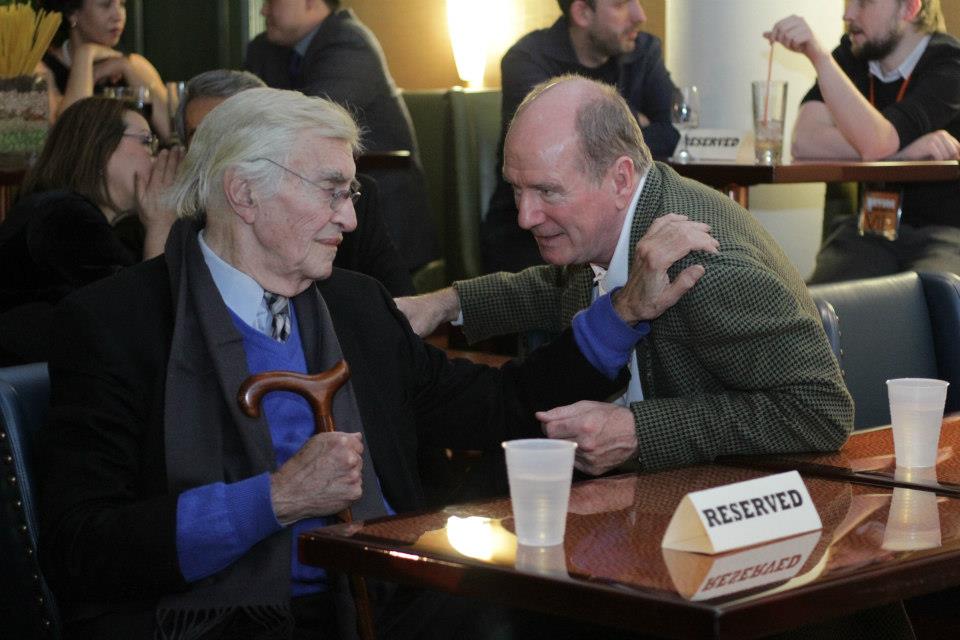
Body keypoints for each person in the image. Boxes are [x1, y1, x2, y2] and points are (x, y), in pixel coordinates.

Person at [37, 86, 701, 638]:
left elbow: (496, 405)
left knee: (587, 614)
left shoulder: (354, 307)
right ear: (243, 193)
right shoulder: (117, 325)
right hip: (204, 620)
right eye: (332, 191)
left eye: (351, 194)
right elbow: (83, 547)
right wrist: (274, 500)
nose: (349, 220)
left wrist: (623, 316)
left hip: (377, 603)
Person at [397, 75, 853, 477]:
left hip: (719, 521)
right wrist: (444, 304)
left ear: (619, 179)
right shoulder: (616, 224)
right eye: (517, 189)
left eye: (546, 191)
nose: (524, 216)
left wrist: (640, 430)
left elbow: (822, 410)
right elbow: (550, 290)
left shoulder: (700, 271)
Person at [766, 1, 960, 283]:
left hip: (945, 233)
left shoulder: (949, 63)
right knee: (819, 307)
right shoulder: (852, 54)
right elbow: (804, 141)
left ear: (909, 8)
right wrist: (902, 154)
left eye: (864, 2)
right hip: (870, 230)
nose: (848, 15)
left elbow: (878, 142)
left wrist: (819, 58)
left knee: (927, 306)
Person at [175, 68, 415, 296]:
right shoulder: (173, 230)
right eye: (204, 138)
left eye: (241, 140)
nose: (223, 156)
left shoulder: (360, 289)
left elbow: (399, 311)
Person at [482, 0, 680, 274]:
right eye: (622, 4)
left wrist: (603, 134)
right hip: (528, 236)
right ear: (582, 13)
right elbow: (544, 150)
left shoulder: (643, 51)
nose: (640, 15)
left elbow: (672, 132)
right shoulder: (528, 58)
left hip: (619, 226)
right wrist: (636, 123)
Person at [244, 0, 438, 274]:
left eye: (271, 1)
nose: (263, 10)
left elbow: (308, 127)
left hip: (372, 218)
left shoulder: (348, 42)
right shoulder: (263, 49)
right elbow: (240, 124)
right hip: (297, 211)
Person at [0, 97, 179, 365]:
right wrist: (161, 224)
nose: (154, 157)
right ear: (99, 148)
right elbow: (138, 325)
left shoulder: (59, 210)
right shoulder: (62, 216)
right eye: (145, 141)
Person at [38, 0, 171, 140]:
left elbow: (174, 133)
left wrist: (126, 66)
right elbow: (68, 138)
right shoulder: (42, 71)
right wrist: (85, 56)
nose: (118, 16)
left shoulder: (135, 64)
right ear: (72, 13)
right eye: (106, 5)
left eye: (122, 4)